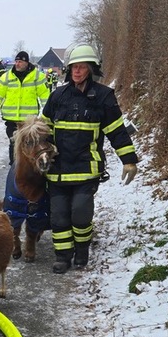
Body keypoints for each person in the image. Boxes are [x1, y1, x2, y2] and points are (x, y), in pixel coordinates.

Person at [42, 44, 138, 274]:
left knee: (81, 212)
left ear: (91, 69)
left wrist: (129, 160)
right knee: (59, 216)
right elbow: (43, 129)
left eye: (82, 67)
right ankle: (63, 256)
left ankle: (82, 249)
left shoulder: (104, 97)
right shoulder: (57, 96)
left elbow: (116, 130)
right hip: (58, 169)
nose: (77, 71)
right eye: (74, 67)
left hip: (87, 168)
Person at [0, 50, 49, 164]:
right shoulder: (7, 76)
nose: (17, 64)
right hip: (11, 119)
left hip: (28, 120)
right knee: (14, 143)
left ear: (26, 63)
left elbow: (45, 96)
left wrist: (48, 112)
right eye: (16, 61)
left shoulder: (37, 76)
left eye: (20, 61)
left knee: (27, 143)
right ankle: (14, 165)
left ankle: (26, 164)